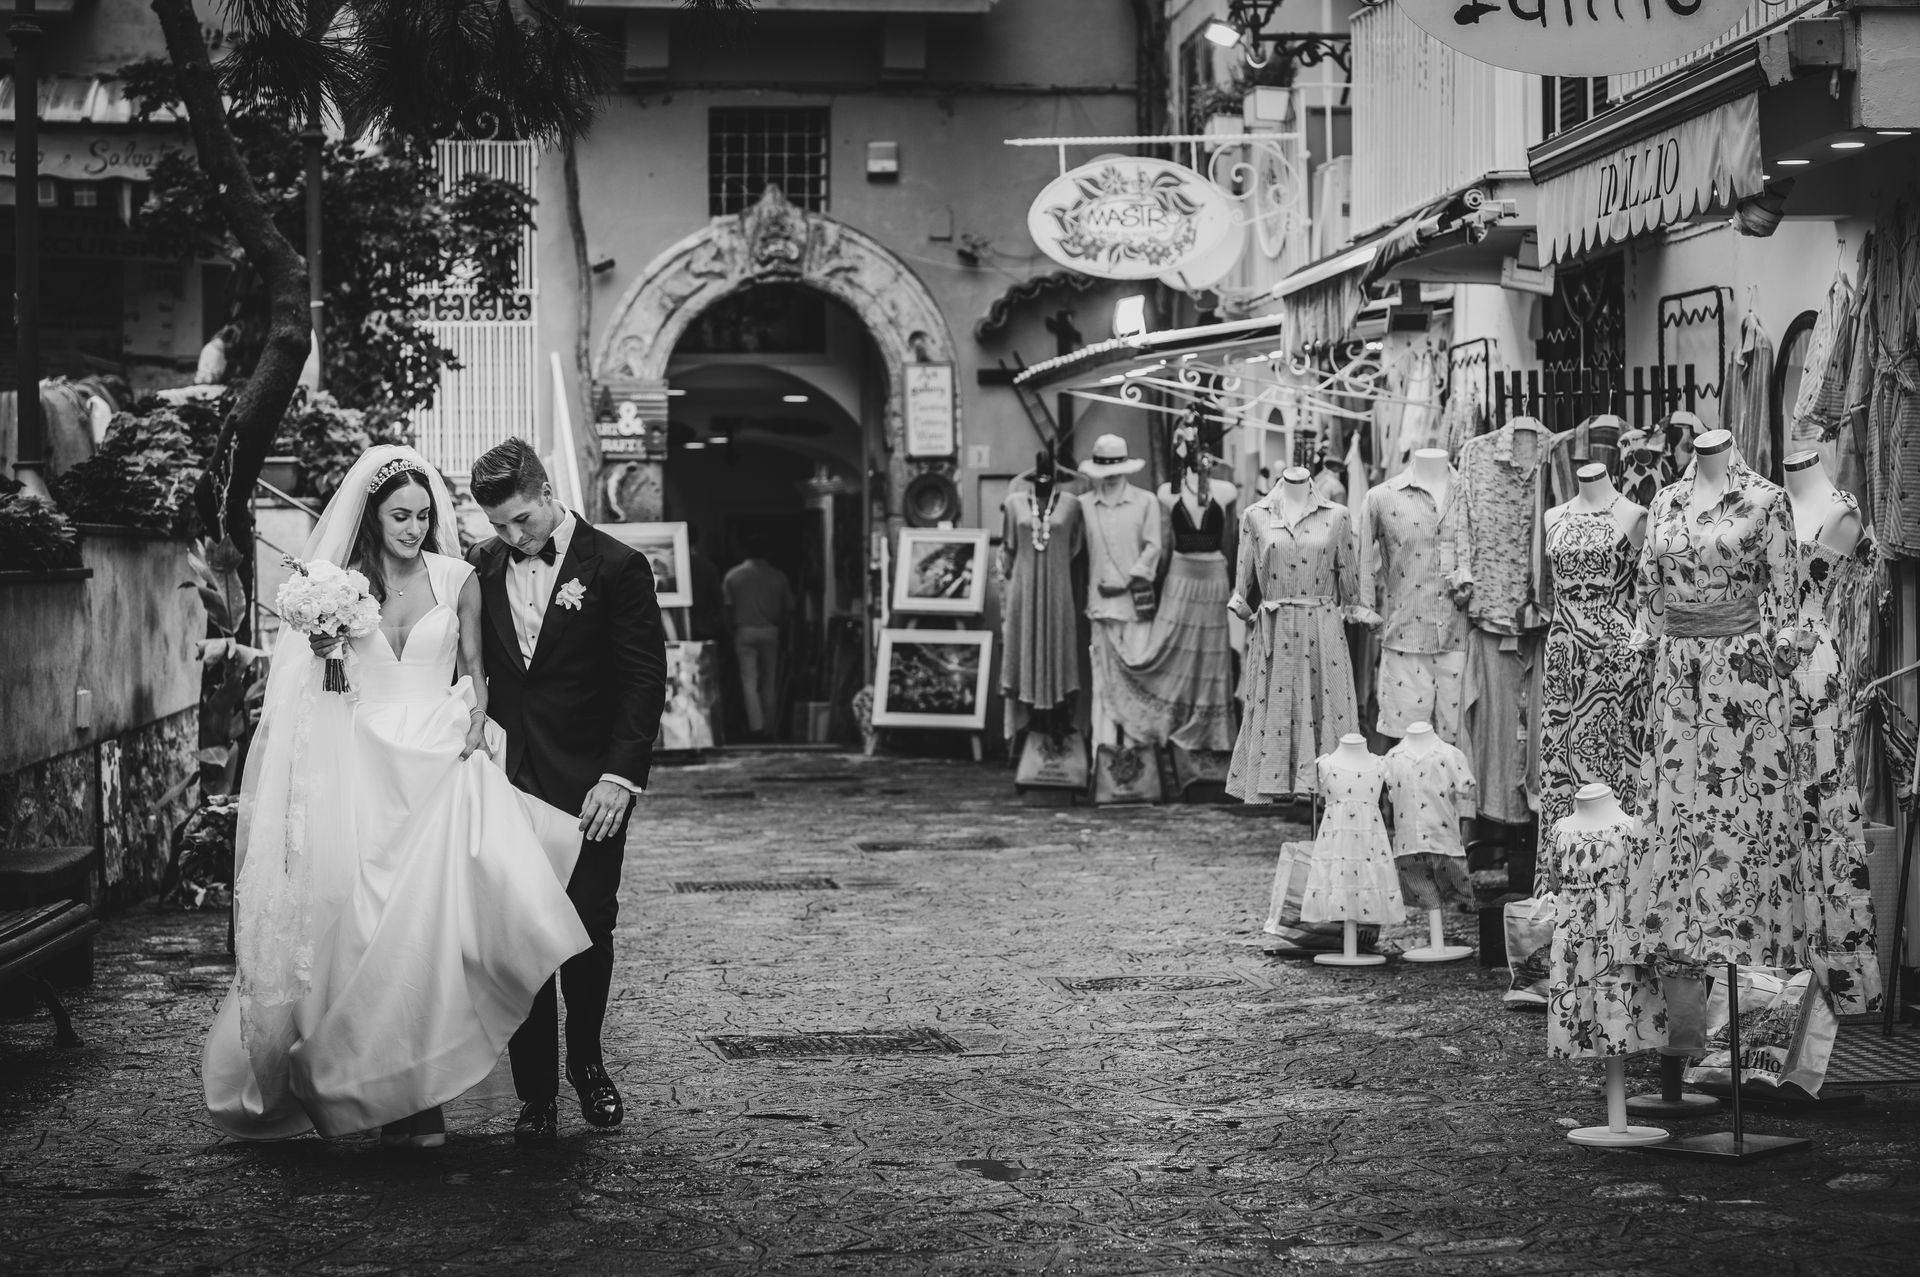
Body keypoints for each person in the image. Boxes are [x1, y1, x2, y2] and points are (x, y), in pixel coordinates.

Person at [203, 445, 592, 1149]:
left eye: (423, 514)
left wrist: (475, 722)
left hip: (439, 763)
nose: (414, 527)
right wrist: (323, 648)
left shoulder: (460, 577)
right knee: (355, 932)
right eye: (399, 516)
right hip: (363, 766)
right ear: (373, 517)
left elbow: (477, 673)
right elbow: (321, 694)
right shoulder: (340, 585)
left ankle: (423, 1100)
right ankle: (373, 1095)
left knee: (428, 937)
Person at [468, 437, 668, 1145]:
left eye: (521, 520)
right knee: (521, 939)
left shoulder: (616, 565)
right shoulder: (483, 567)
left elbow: (645, 681)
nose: (511, 536)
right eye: (498, 526)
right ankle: (534, 1095)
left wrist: (621, 777)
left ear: (548, 492)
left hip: (590, 790)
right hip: (509, 785)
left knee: (587, 932)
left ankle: (588, 1064)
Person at [723, 537, 793, 741]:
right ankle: (770, 728)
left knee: (749, 681)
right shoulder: (778, 576)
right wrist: (783, 630)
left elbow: (727, 608)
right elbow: (788, 610)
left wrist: (730, 631)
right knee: (770, 681)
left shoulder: (734, 576)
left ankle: (756, 727)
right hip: (770, 630)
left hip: (744, 631)